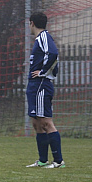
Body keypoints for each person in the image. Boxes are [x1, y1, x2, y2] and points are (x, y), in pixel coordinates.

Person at [25, 11, 65, 169]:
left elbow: (54, 54)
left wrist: (43, 72)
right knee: (36, 123)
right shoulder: (39, 39)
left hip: (41, 83)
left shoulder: (44, 37)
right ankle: (42, 160)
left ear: (32, 23)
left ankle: (59, 161)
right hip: (35, 84)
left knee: (46, 122)